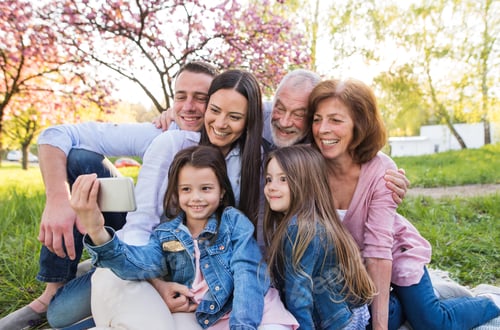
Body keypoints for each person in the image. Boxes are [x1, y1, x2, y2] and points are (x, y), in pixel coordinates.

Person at [0, 61, 219, 330]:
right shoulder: (160, 133)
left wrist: (158, 284)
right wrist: (59, 199)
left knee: (61, 315)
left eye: (201, 98)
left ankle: (98, 264)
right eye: (181, 96)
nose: (188, 107)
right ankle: (51, 290)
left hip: (177, 259)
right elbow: (55, 134)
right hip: (138, 240)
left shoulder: (231, 147)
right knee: (80, 158)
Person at [51, 68, 265, 329]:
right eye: (215, 110)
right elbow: (139, 226)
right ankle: (105, 261)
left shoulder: (256, 162)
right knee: (59, 314)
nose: (220, 123)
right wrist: (157, 284)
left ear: (249, 120)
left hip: (199, 272)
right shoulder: (171, 144)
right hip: (151, 257)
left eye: (234, 117)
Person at [307, 78, 500, 330]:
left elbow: (378, 252)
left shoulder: (381, 169)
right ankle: (402, 302)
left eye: (335, 120)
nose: (322, 129)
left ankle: (490, 300)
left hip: (395, 253)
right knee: (367, 320)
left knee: (432, 322)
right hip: (352, 270)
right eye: (317, 119)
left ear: (359, 125)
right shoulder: (309, 165)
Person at [71, 145, 298, 329]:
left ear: (222, 193)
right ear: (176, 194)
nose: (196, 198)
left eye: (206, 189)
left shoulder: (233, 222)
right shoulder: (166, 234)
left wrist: (243, 326)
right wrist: (97, 230)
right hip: (206, 318)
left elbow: (247, 274)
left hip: (255, 312)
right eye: (186, 189)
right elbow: (138, 264)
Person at [263, 145, 377, 329]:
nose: (271, 187)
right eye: (269, 179)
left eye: (283, 179)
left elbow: (299, 298)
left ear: (306, 182)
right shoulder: (315, 220)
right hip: (349, 312)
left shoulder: (298, 230)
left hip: (336, 323)